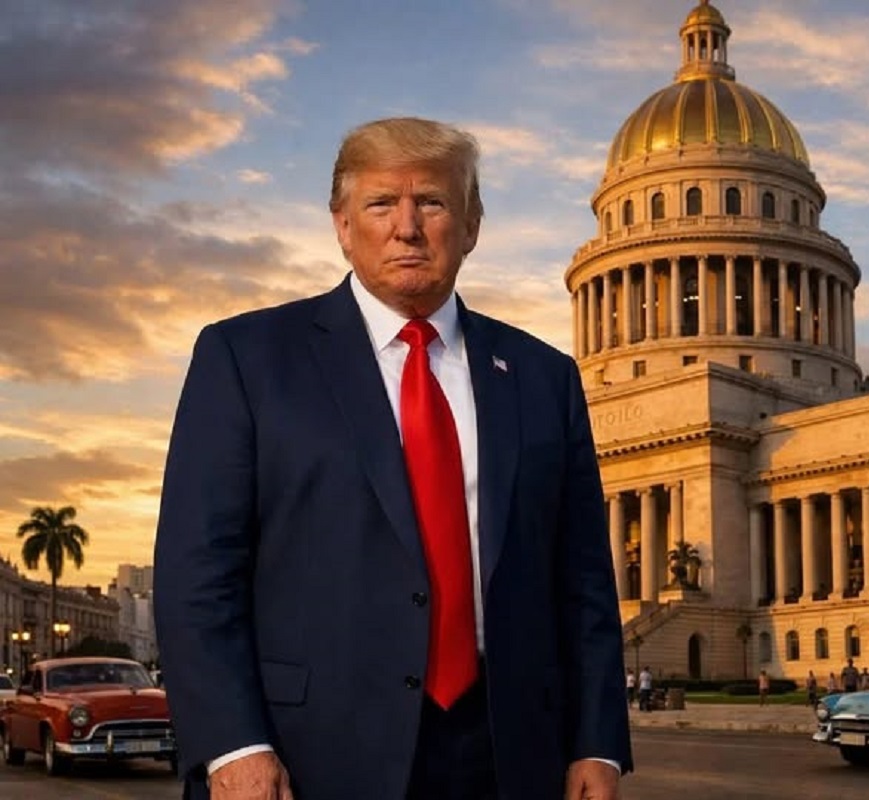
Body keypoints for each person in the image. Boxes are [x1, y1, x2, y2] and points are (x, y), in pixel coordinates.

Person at [153, 117, 632, 800]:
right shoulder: (247, 358)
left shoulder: (542, 376)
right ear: (343, 225)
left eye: (431, 202)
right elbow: (197, 572)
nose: (407, 227)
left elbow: (582, 579)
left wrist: (597, 742)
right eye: (381, 203)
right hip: (306, 755)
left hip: (509, 754)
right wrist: (233, 745)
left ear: (471, 225)